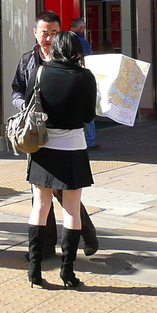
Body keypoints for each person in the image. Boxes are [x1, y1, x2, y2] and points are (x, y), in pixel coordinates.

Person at [12, 11, 99, 258]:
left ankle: (87, 233)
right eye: (44, 32)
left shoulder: (75, 64)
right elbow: (17, 90)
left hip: (65, 136)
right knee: (40, 195)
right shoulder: (28, 60)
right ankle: (44, 247)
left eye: (53, 33)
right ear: (35, 33)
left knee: (64, 192)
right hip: (36, 135)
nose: (48, 38)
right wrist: (26, 108)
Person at [24, 31, 97, 289]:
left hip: (43, 148)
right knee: (72, 210)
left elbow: (29, 105)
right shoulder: (85, 77)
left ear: (55, 48)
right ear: (76, 50)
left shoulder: (41, 73)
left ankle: (34, 268)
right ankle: (67, 271)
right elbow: (88, 117)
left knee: (40, 207)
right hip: (73, 149)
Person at [70, 17, 99, 151]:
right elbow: (89, 60)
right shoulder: (83, 42)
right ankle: (90, 140)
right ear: (81, 28)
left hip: (68, 79)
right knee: (88, 108)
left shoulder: (65, 40)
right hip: (82, 78)